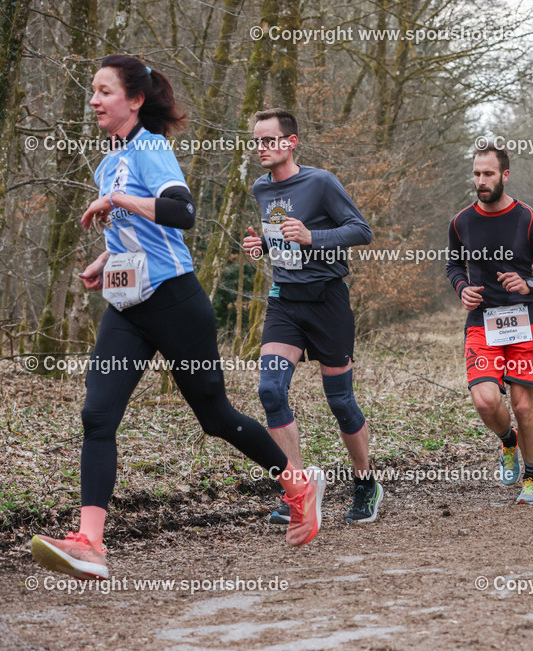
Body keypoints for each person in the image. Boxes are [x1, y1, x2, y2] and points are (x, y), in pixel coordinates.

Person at [30, 57, 324, 580]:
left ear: (135, 100)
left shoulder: (150, 149)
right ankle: (90, 543)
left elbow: (182, 213)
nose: (94, 101)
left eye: (104, 92)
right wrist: (104, 258)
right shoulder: (107, 162)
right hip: (127, 307)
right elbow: (134, 230)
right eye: (92, 93)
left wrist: (117, 199)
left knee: (215, 418)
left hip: (173, 301)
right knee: (97, 416)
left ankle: (296, 482)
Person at [241, 108, 381, 525]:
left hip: (328, 301)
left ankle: (364, 481)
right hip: (285, 300)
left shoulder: (320, 182)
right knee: (270, 390)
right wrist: (262, 247)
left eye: (269, 140)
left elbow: (361, 230)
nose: (261, 148)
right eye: (257, 141)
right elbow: (280, 237)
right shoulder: (260, 189)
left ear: (291, 142)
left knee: (340, 401)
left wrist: (312, 236)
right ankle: (296, 489)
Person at [446, 146, 533, 504]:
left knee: (524, 406)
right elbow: (453, 267)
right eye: (477, 174)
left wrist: (529, 284)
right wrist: (462, 288)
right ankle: (508, 440)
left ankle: (532, 478)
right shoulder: (461, 221)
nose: (481, 181)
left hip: (522, 321)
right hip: (482, 322)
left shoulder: (528, 219)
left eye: (488, 174)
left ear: (505, 175)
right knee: (484, 401)